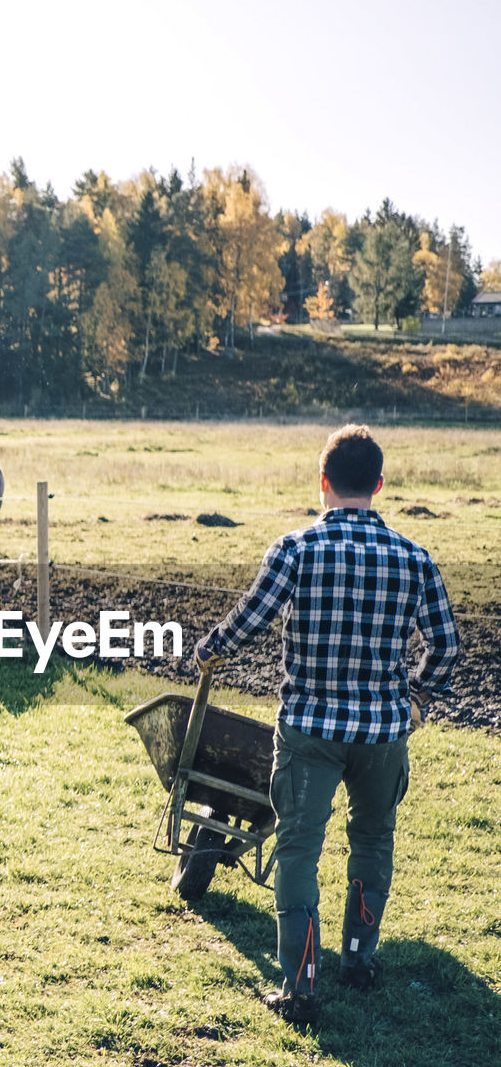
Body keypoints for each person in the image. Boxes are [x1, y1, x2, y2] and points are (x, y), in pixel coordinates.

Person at [194, 424, 460, 1026]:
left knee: (298, 852)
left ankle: (301, 982)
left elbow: (249, 621)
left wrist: (210, 651)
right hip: (383, 733)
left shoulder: (295, 549)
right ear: (379, 485)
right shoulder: (414, 558)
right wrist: (417, 696)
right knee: (371, 841)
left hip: (310, 728)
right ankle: (360, 959)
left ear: (323, 483)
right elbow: (447, 645)